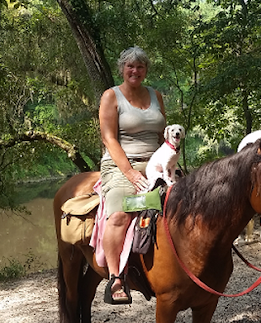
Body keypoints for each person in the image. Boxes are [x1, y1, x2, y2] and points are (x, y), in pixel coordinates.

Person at [99, 46, 166, 304]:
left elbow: (162, 136)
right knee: (119, 213)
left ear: (146, 70)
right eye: (130, 66)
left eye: (139, 66)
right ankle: (116, 277)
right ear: (122, 69)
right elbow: (108, 138)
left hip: (157, 164)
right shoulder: (111, 96)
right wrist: (129, 173)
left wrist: (170, 163)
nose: (135, 71)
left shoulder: (156, 95)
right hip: (120, 165)